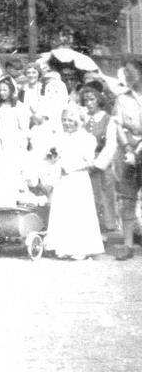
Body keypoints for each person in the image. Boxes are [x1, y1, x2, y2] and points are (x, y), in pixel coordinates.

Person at [45, 105, 104, 260]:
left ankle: (81, 248)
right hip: (62, 179)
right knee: (63, 211)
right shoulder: (59, 137)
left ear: (78, 121)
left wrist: (71, 168)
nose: (67, 123)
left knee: (78, 212)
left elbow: (91, 162)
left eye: (71, 120)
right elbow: (53, 157)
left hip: (78, 178)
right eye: (64, 120)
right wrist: (52, 160)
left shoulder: (87, 138)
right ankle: (63, 246)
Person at [112, 58, 142, 260]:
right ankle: (128, 245)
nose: (128, 75)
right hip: (129, 154)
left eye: (131, 71)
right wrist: (127, 148)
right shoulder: (122, 99)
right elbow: (118, 125)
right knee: (128, 199)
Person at [79, 84, 118, 235]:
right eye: (86, 100)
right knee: (89, 196)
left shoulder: (108, 120)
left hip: (101, 165)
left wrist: (97, 164)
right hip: (85, 164)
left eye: (92, 99)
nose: (89, 103)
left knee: (104, 196)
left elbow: (110, 145)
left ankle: (106, 230)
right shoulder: (85, 120)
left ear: (99, 100)